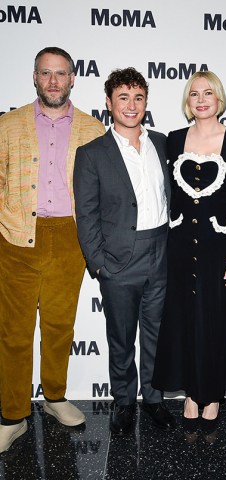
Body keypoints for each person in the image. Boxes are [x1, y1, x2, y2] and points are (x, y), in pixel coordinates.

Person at [0, 46, 105, 453]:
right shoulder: (8, 125)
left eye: (61, 73)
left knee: (60, 327)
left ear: (73, 78)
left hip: (69, 239)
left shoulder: (93, 129)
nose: (53, 81)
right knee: (14, 332)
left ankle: (55, 397)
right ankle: (12, 414)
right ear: (34, 77)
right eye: (46, 73)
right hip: (16, 238)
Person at [152, 71, 226, 432]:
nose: (201, 99)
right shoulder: (174, 140)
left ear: (219, 98)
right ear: (187, 100)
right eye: (194, 93)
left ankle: (211, 396)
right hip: (180, 248)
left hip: (220, 249)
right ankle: (192, 395)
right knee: (185, 322)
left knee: (215, 322)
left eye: (208, 92)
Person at [73, 67, 175, 435]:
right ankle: (123, 401)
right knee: (120, 337)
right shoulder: (92, 153)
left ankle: (155, 399)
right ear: (108, 102)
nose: (131, 106)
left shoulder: (164, 143)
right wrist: (99, 264)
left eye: (138, 97)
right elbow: (85, 215)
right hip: (117, 262)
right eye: (123, 97)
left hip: (160, 253)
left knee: (156, 334)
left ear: (146, 102)